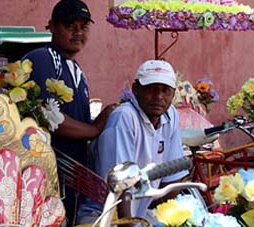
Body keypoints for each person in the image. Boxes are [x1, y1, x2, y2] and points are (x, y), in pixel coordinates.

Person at [22, 0, 115, 226]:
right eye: (69, 26)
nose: (78, 33)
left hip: (72, 178)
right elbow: (49, 117)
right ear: (52, 26)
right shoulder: (43, 59)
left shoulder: (76, 69)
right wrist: (95, 128)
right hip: (48, 176)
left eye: (83, 27)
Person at [77, 60, 188, 225]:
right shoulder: (124, 117)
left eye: (165, 91)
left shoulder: (170, 115)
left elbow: (173, 177)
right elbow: (119, 186)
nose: (158, 97)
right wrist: (129, 223)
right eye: (151, 89)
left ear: (173, 94)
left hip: (137, 214)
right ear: (136, 89)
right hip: (104, 216)